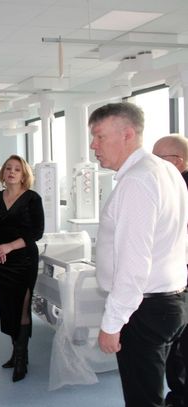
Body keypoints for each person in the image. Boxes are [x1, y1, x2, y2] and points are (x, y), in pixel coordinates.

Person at [90, 102, 188, 407]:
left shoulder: (136, 181)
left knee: (143, 400)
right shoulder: (166, 171)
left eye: (99, 136)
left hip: (144, 309)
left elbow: (133, 264)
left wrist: (112, 324)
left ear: (127, 134)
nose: (93, 146)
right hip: (171, 301)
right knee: (173, 390)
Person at [0, 154, 44, 382]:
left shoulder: (32, 198)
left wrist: (8, 246)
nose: (12, 172)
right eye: (8, 168)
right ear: (3, 173)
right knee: (8, 307)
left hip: (24, 259)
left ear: (24, 174)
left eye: (17, 169)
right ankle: (15, 352)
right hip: (1, 261)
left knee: (23, 307)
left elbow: (36, 232)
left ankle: (21, 359)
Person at [152, 134, 188, 407]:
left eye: (158, 158)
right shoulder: (173, 188)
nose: (153, 164)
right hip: (177, 279)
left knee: (181, 347)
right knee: (178, 346)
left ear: (178, 161)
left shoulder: (180, 190)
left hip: (181, 279)